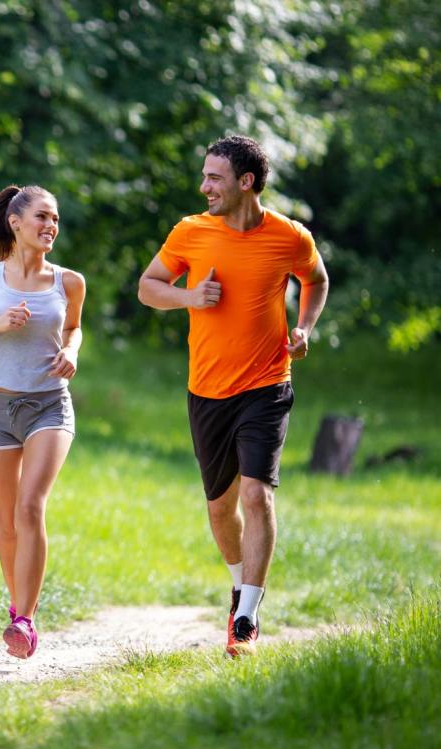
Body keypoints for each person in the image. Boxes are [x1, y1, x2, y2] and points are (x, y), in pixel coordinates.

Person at [138, 135, 329, 656]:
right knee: (222, 508)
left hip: (268, 384)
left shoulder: (289, 236)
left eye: (214, 177)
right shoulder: (191, 232)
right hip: (207, 390)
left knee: (256, 493)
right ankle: (237, 586)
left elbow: (316, 279)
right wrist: (188, 297)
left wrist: (305, 328)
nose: (204, 187)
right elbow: (148, 286)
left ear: (246, 182)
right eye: (204, 176)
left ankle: (247, 612)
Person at [0, 185, 86, 659]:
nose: (51, 226)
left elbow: (73, 326)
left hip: (49, 405)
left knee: (31, 507)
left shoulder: (69, 282)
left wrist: (70, 351)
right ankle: (16, 609)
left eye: (56, 220)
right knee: (6, 523)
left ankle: (27, 621)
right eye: (43, 217)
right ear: (15, 221)